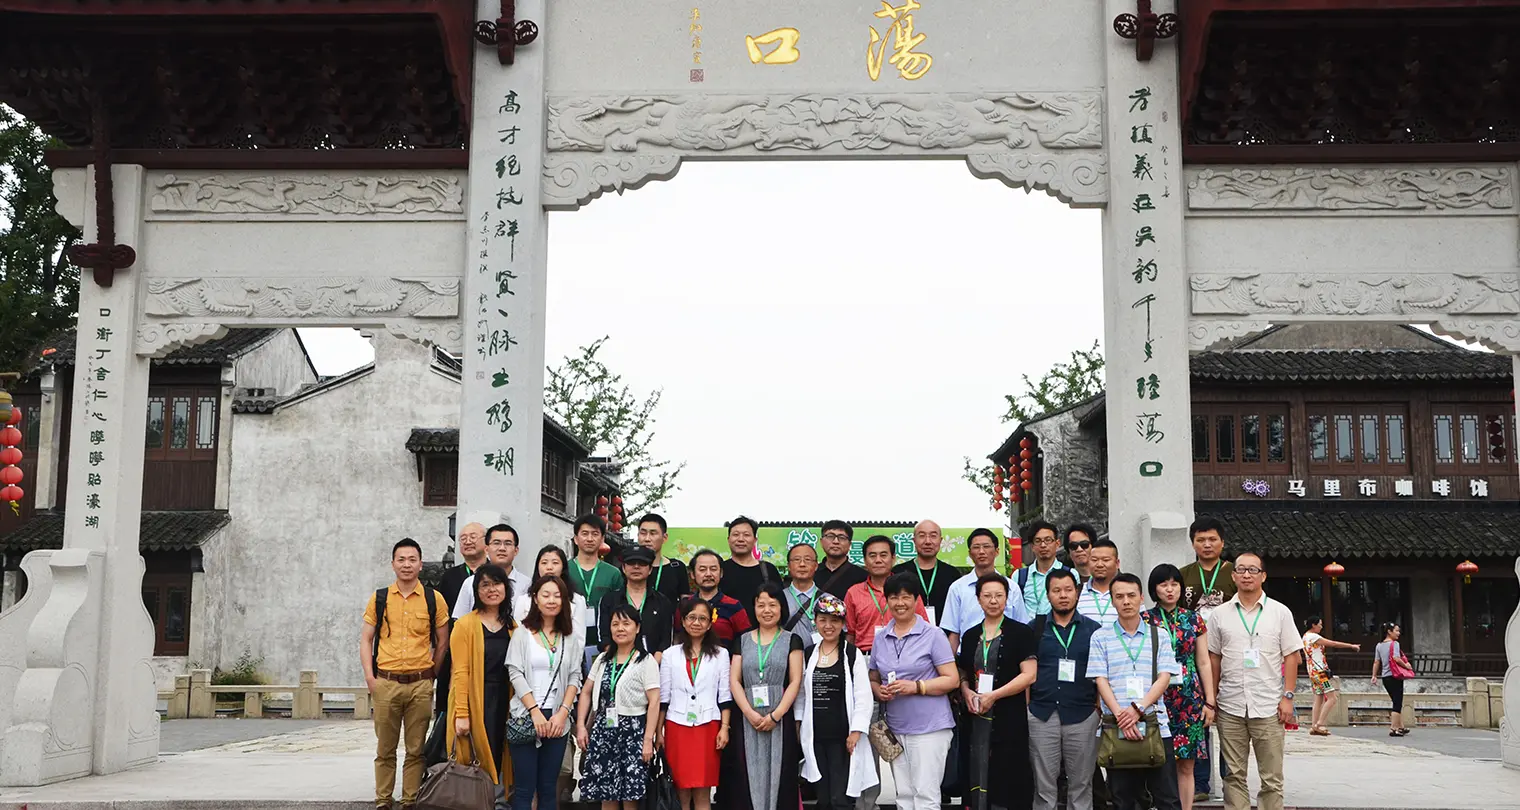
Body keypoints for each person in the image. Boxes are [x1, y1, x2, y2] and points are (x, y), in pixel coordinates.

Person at [1206, 552, 1301, 810]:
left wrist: (1288, 696)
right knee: (1233, 775)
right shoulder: (1219, 615)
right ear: (1233, 575)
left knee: (1271, 777)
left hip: (1269, 705)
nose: (1247, 575)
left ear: (1263, 576)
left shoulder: (1280, 612)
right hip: (1230, 704)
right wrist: (1212, 699)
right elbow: (1214, 658)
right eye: (1241, 570)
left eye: (1253, 570)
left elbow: (1291, 656)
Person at [361, 539, 449, 810]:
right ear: (393, 564)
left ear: (420, 564)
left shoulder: (434, 599)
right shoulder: (380, 598)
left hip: (420, 684)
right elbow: (366, 639)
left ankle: (410, 799)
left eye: (412, 559)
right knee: (385, 748)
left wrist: (431, 673)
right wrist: (370, 678)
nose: (407, 564)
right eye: (401, 559)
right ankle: (383, 800)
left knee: (416, 748)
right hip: (386, 682)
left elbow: (443, 641)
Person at [1088, 572, 1182, 810]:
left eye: (1131, 595)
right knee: (1122, 799)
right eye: (1119, 596)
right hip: (1115, 726)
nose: (1126, 601)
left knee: (1167, 797)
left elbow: (1164, 677)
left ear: (1141, 598)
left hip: (1155, 724)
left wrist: (1138, 709)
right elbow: (1100, 679)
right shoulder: (1100, 637)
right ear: (1112, 600)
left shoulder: (1159, 635)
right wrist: (1122, 716)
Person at [867, 573, 959, 810]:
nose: (900, 603)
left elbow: (952, 680)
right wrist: (878, 690)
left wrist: (917, 686)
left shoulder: (933, 635)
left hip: (929, 728)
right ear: (887, 601)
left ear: (916, 600)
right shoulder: (881, 637)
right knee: (904, 796)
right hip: (895, 728)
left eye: (906, 597)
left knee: (925, 795)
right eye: (894, 597)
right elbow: (873, 676)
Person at [955, 573, 1037, 810]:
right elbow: (963, 672)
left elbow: (1029, 675)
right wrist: (966, 691)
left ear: (1007, 598)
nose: (993, 601)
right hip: (975, 715)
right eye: (987, 595)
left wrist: (994, 695)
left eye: (999, 595)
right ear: (978, 599)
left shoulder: (1021, 633)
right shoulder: (970, 635)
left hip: (1009, 715)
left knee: (1008, 774)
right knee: (976, 768)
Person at [722, 581, 806, 810]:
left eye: (772, 604)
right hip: (746, 718)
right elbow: (734, 680)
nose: (766, 610)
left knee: (781, 771)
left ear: (781, 608)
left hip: (780, 717)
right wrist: (748, 713)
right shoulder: (742, 641)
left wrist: (776, 716)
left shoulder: (792, 640)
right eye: (761, 605)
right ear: (754, 608)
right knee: (745, 772)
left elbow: (795, 681)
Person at [505, 574, 586, 810]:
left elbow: (574, 676)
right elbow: (515, 673)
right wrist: (534, 711)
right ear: (535, 599)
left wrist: (563, 713)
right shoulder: (522, 633)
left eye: (557, 596)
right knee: (524, 788)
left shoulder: (569, 637)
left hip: (557, 717)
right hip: (526, 715)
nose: (551, 600)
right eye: (546, 595)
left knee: (549, 787)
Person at [1143, 564, 1216, 810]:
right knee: (1155, 760)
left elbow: (1203, 662)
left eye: (1174, 584)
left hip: (1188, 697)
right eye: (1163, 584)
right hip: (1156, 696)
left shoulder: (1194, 619)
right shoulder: (1145, 619)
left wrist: (1209, 701)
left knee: (1186, 764)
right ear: (1154, 589)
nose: (1170, 589)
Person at [1028, 569, 1102, 810]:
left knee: (1081, 784)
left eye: (1068, 590)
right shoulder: (1035, 629)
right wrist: (1028, 708)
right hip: (1042, 714)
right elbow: (1026, 672)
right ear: (1048, 595)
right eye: (1056, 590)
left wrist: (1097, 709)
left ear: (1077, 593)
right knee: (1043, 786)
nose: (1063, 595)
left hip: (1082, 714)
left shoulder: (1094, 630)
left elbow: (1101, 673)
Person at [576, 603, 661, 809]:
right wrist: (581, 726)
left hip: (633, 734)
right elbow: (586, 691)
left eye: (626, 623)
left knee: (630, 796)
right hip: (603, 732)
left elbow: (654, 701)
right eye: (615, 624)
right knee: (607, 795)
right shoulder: (603, 659)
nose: (620, 628)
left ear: (637, 628)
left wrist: (648, 740)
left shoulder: (646, 661)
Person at [799, 593, 877, 810]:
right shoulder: (809, 653)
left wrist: (856, 731)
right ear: (815, 622)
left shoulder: (852, 654)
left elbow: (863, 696)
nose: (828, 626)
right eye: (823, 620)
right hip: (815, 735)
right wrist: (798, 724)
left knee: (840, 798)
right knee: (823, 797)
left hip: (843, 737)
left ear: (843, 624)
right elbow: (801, 694)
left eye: (834, 621)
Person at [448, 564, 516, 808]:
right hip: (475, 698)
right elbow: (460, 672)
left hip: (504, 699)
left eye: (497, 583)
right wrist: (462, 714)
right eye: (485, 585)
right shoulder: (465, 625)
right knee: (474, 755)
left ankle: (499, 802)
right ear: (476, 591)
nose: (492, 589)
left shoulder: (513, 627)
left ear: (506, 588)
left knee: (501, 752)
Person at [659, 596, 734, 810]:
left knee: (703, 791)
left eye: (702, 618)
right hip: (676, 726)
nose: (696, 623)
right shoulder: (669, 655)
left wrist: (724, 728)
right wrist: (658, 732)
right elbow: (663, 698)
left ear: (710, 624)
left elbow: (725, 695)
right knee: (680, 791)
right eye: (691, 617)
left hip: (708, 726)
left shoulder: (721, 654)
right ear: (683, 621)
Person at [942, 528, 1030, 653]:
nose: (981, 551)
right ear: (970, 553)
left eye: (986, 546)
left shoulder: (1012, 588)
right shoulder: (957, 588)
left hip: (1005, 655)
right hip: (969, 655)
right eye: (976, 547)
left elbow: (1022, 626)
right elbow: (953, 632)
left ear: (997, 551)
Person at [438, 519, 490, 714]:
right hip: (455, 650)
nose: (468, 541)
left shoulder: (495, 574)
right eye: (463, 538)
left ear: (486, 542)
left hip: (489, 649)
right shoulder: (449, 576)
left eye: (473, 537)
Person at [846, 535, 928, 655]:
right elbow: (850, 634)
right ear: (864, 560)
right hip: (865, 656)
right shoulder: (853, 593)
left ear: (893, 558)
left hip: (905, 654)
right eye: (872, 556)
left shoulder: (909, 590)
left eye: (883, 555)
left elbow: (924, 627)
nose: (878, 560)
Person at [597, 546, 674, 660]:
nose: (636, 567)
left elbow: (666, 640)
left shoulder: (662, 601)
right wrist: (619, 661)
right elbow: (604, 637)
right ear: (623, 568)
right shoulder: (609, 600)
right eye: (631, 563)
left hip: (654, 664)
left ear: (650, 569)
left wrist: (652, 664)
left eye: (642, 563)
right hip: (617, 663)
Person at [569, 515, 625, 670]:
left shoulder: (613, 573)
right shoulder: (565, 570)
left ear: (602, 539)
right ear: (576, 539)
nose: (589, 539)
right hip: (570, 639)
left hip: (604, 643)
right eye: (584, 533)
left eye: (595, 534)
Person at [892, 519, 961, 626]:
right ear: (914, 540)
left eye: (933, 536)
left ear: (940, 540)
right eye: (922, 536)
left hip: (944, 634)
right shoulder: (898, 573)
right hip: (907, 632)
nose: (928, 541)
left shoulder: (952, 574)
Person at [453, 523, 530, 618]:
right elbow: (459, 619)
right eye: (496, 543)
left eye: (508, 543)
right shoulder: (470, 583)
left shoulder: (527, 584)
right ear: (486, 549)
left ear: (516, 550)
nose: (502, 548)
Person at [720, 515, 783, 623]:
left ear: (755, 540)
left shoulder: (768, 570)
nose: (740, 539)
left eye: (746, 535)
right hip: (727, 631)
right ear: (728, 539)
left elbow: (780, 604)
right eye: (736, 534)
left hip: (762, 630)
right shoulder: (719, 570)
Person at [1301, 616, 1357, 736]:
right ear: (1313, 625)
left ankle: (1314, 725)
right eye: (1320, 624)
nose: (1321, 626)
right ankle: (1320, 724)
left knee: (1318, 698)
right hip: (1320, 672)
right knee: (1332, 698)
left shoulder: (1305, 636)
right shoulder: (1313, 637)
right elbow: (1333, 644)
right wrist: (1351, 646)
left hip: (1312, 671)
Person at [689, 548, 753, 647]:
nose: (708, 574)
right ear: (692, 574)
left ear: (721, 573)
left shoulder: (734, 606)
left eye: (713, 569)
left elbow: (746, 640)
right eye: (702, 569)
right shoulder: (686, 604)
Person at [516, 545, 588, 626]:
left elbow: (579, 633)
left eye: (555, 563)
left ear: (563, 567)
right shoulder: (523, 601)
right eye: (544, 563)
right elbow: (519, 631)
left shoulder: (578, 601)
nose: (549, 567)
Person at [1179, 518, 1235, 620]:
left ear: (1222, 543)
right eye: (1200, 540)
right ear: (1193, 544)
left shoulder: (1236, 572)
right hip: (1191, 628)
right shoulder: (1182, 574)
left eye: (1212, 539)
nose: (1207, 545)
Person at [638, 512, 691, 606]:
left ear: (665, 538)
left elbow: (685, 604)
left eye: (653, 533)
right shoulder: (629, 568)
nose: (647, 539)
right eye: (643, 533)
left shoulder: (677, 568)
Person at [1018, 521, 1067, 617]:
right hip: (1028, 626)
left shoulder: (1069, 573)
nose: (1043, 545)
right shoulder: (1020, 576)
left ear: (1057, 543)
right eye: (1038, 541)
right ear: (1032, 546)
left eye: (1048, 540)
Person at [1372, 623, 1411, 737]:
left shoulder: (1379, 645)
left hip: (1385, 677)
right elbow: (1396, 658)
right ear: (1389, 631)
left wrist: (1374, 675)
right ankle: (1394, 728)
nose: (1398, 633)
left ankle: (1401, 726)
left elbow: (1376, 662)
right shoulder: (1395, 644)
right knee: (1397, 703)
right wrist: (1406, 666)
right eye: (1396, 631)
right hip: (1395, 676)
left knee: (1395, 701)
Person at [784, 542, 822, 654]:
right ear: (789, 566)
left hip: (819, 658)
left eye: (807, 560)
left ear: (816, 566)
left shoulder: (828, 600)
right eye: (796, 559)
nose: (802, 564)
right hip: (786, 657)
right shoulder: (778, 599)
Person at [818, 520, 868, 599]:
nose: (836, 541)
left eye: (842, 537)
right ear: (821, 542)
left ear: (850, 544)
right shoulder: (811, 573)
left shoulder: (863, 576)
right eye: (830, 536)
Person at [1077, 539, 1120, 623]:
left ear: (1117, 563)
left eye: (1106, 560)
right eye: (1094, 560)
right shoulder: (1078, 592)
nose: (1099, 565)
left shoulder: (1127, 592)